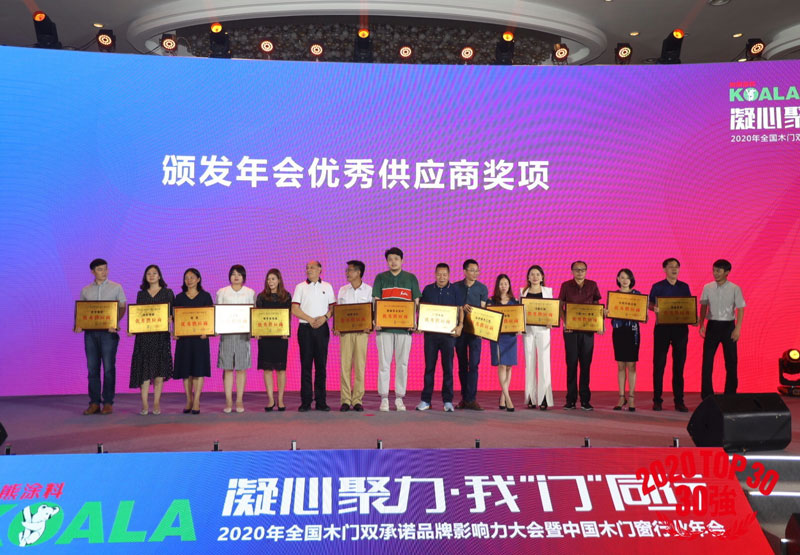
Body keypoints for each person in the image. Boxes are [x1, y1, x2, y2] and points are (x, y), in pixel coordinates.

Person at [373, 247, 421, 412]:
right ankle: (384, 398)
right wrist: (376, 320)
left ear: (402, 260)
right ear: (387, 262)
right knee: (384, 364)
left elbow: (416, 302)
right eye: (390, 259)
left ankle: (399, 398)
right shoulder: (380, 277)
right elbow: (376, 300)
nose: (393, 262)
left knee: (402, 364)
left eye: (396, 259)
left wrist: (414, 321)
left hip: (404, 329)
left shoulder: (410, 278)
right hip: (384, 329)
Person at [77, 258, 126, 415]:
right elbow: (83, 311)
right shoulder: (85, 290)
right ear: (93, 272)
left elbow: (122, 307)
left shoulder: (116, 287)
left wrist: (115, 322)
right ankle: (94, 402)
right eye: (100, 269)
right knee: (92, 369)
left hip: (108, 333)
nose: (104, 272)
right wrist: (79, 324)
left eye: (105, 269)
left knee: (109, 369)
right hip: (90, 334)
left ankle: (108, 402)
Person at [416, 263, 464, 412]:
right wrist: (419, 324)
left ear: (449, 275)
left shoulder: (455, 289)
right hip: (431, 336)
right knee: (429, 368)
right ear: (435, 274)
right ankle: (426, 400)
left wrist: (460, 325)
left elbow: (460, 309)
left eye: (444, 274)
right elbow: (422, 309)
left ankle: (448, 401)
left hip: (449, 336)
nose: (441, 277)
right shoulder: (428, 289)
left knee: (448, 368)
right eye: (439, 274)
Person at [648, 257, 692, 412]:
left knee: (679, 366)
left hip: (680, 329)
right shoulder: (658, 286)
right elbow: (650, 303)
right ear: (664, 269)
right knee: (659, 365)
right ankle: (657, 400)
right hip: (662, 329)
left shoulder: (684, 287)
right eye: (671, 266)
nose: (674, 269)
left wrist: (693, 318)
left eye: (677, 267)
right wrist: (654, 308)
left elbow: (688, 306)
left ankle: (679, 401)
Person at [129, 265, 174, 415]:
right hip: (144, 337)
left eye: (155, 273)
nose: (152, 275)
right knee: (144, 372)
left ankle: (156, 403)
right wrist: (132, 328)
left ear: (159, 276)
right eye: (148, 273)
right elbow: (137, 315)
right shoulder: (141, 294)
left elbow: (174, 314)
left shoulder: (168, 293)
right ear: (145, 277)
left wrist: (171, 319)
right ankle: (144, 404)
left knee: (159, 372)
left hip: (161, 337)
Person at [291, 260, 335, 412]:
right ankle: (306, 401)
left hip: (322, 329)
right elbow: (294, 309)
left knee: (321, 366)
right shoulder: (300, 287)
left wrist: (324, 318)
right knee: (306, 366)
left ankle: (321, 401)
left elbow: (333, 308)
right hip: (305, 329)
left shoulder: (327, 286)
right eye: (307, 268)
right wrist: (310, 319)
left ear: (320, 269)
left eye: (312, 267)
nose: (309, 270)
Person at [558, 260, 602, 411]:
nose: (580, 272)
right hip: (570, 331)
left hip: (587, 331)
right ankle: (570, 400)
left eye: (582, 269)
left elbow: (596, 306)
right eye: (577, 269)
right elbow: (560, 306)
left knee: (585, 364)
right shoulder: (566, 286)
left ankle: (585, 400)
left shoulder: (592, 285)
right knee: (571, 364)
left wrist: (599, 324)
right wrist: (565, 322)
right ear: (572, 271)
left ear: (586, 271)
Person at [699, 259, 745, 399]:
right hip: (712, 326)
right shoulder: (707, 287)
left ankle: (730, 395)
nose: (715, 273)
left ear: (727, 272)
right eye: (714, 270)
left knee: (731, 361)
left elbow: (740, 309)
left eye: (718, 271)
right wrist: (701, 324)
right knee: (707, 362)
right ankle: (707, 395)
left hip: (728, 326)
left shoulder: (735, 288)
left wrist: (737, 329)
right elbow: (703, 306)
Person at [216, 264, 256, 413]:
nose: (236, 277)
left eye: (239, 274)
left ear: (243, 277)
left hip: (243, 335)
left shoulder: (250, 292)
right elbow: (217, 313)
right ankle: (228, 400)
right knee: (227, 368)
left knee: (241, 369)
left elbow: (253, 314)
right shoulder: (222, 292)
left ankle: (239, 400)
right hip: (227, 335)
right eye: (233, 274)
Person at [173, 268, 212, 414]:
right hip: (184, 340)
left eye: (192, 277)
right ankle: (189, 400)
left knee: (198, 370)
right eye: (186, 278)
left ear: (198, 279)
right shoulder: (179, 298)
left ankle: (196, 401)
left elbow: (210, 317)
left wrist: (207, 332)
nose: (189, 280)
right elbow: (175, 318)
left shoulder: (205, 296)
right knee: (186, 371)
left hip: (200, 340)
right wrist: (175, 332)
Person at [335, 260, 372, 412]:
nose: (347, 273)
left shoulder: (369, 290)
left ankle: (357, 399)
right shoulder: (343, 290)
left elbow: (372, 312)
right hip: (345, 333)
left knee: (359, 366)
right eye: (347, 270)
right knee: (345, 366)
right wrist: (337, 327)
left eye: (350, 270)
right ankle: (345, 399)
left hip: (362, 333)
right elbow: (339, 311)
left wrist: (370, 325)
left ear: (358, 272)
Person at [454, 259, 489, 411]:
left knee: (474, 365)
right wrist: (461, 308)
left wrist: (482, 330)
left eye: (477, 271)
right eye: (472, 270)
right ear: (465, 271)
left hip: (475, 332)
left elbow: (483, 310)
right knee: (462, 364)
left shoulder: (482, 288)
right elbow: (452, 307)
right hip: (460, 331)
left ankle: (471, 399)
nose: (475, 273)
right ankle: (464, 398)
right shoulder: (455, 287)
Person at [255, 269, 292, 412]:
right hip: (265, 339)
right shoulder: (261, 297)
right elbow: (258, 317)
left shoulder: (286, 296)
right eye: (268, 279)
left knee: (281, 369)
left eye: (273, 279)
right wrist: (257, 332)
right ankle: (270, 399)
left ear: (279, 280)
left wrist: (286, 332)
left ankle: (281, 399)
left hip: (281, 338)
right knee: (267, 369)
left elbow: (288, 316)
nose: (270, 282)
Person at [520, 265, 554, 410]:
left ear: (542, 277)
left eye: (538, 274)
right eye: (532, 274)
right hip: (528, 330)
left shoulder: (548, 292)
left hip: (543, 330)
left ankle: (544, 397)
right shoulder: (523, 292)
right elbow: (519, 312)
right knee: (529, 362)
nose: (535, 277)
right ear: (528, 277)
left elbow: (552, 311)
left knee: (544, 362)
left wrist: (552, 321)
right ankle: (531, 397)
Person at [608, 269, 641, 412]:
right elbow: (610, 313)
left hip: (632, 332)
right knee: (621, 365)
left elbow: (642, 314)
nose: (625, 280)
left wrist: (644, 313)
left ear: (631, 279)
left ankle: (631, 397)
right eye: (622, 277)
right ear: (618, 279)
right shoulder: (614, 296)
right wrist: (606, 313)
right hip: (618, 331)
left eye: (628, 277)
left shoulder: (637, 295)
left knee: (632, 365)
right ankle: (621, 397)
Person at [489, 274, 521, 412]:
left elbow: (519, 318)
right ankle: (508, 398)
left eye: (506, 284)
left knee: (509, 367)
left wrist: (520, 328)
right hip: (497, 337)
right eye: (501, 284)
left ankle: (502, 397)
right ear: (498, 285)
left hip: (511, 337)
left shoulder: (514, 301)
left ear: (509, 285)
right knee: (502, 365)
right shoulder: (492, 301)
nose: (503, 286)